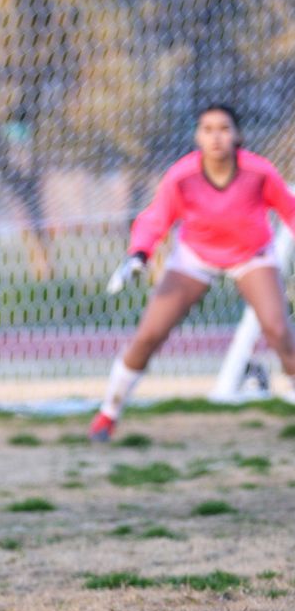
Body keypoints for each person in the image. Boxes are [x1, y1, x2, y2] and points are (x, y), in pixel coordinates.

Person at [90, 103, 295, 441]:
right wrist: (139, 254)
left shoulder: (258, 171)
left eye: (224, 128)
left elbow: (289, 210)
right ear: (197, 136)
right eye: (208, 129)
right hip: (194, 258)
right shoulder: (182, 175)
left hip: (251, 255)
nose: (216, 137)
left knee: (278, 330)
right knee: (149, 334)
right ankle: (108, 414)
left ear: (238, 135)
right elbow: (156, 218)